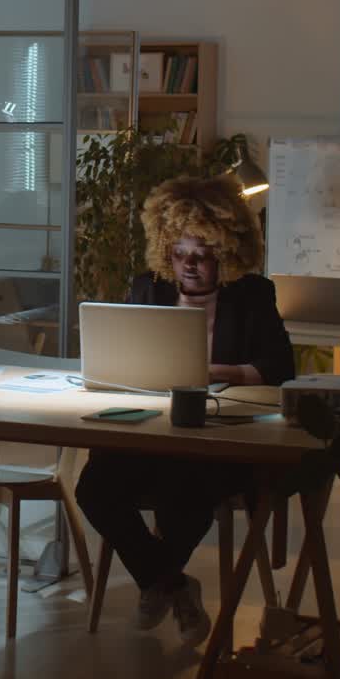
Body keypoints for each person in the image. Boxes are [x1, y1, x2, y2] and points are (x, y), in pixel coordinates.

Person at [75, 175, 295, 648]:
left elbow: (279, 368)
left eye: (201, 255)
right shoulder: (148, 287)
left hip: (221, 438)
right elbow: (132, 361)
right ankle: (170, 582)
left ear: (226, 251)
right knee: (94, 486)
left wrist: (216, 370)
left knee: (185, 492)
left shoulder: (253, 295)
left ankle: (158, 581)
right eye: (178, 254)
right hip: (155, 429)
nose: (188, 266)